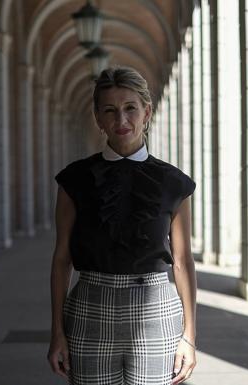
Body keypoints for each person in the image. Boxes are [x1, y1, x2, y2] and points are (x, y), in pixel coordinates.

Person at [47, 66, 197, 385]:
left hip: (157, 311)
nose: (121, 121)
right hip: (89, 307)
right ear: (98, 118)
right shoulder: (74, 179)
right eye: (110, 111)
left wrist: (189, 336)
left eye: (130, 108)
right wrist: (57, 333)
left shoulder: (174, 183)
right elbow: (62, 259)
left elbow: (183, 262)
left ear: (147, 112)